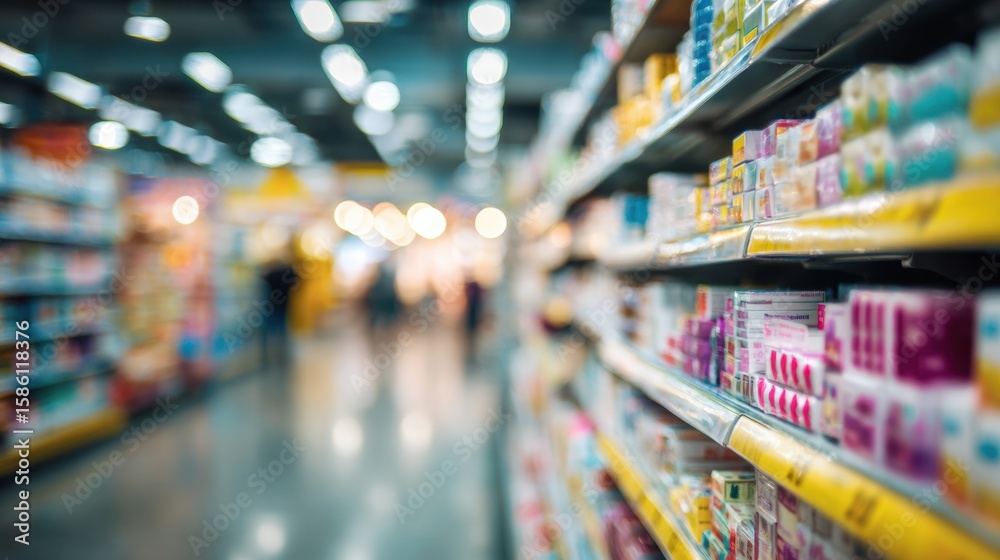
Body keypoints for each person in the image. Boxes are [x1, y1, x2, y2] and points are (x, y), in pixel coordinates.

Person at [260, 257, 298, 368]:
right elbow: (295, 281)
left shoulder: (271, 274)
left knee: (270, 329)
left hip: (271, 305)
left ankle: (268, 354)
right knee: (282, 329)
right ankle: (281, 351)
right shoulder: (287, 274)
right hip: (284, 305)